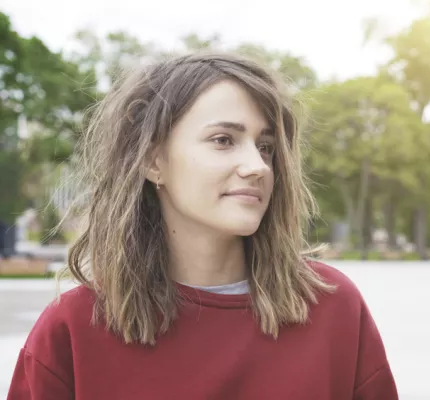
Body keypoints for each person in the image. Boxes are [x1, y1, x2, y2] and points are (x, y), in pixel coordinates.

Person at [8, 53, 398, 399]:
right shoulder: (74, 329)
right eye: (223, 140)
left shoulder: (333, 308)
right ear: (153, 161)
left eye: (266, 147)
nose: (258, 166)